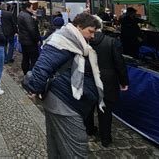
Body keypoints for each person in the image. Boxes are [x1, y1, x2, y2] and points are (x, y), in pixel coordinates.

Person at [22, 13, 104, 158]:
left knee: (56, 143)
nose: (92, 36)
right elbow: (42, 66)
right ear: (79, 27)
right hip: (63, 102)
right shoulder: (62, 40)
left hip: (66, 101)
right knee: (76, 149)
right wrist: (34, 89)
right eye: (90, 31)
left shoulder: (76, 41)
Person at [85, 16, 129, 147]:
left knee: (89, 106)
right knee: (105, 109)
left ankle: (89, 129)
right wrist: (124, 81)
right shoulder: (111, 41)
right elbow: (119, 64)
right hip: (107, 80)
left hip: (89, 78)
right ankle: (106, 138)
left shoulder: (84, 41)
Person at [18, 1, 41, 75]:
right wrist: (37, 40)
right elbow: (32, 30)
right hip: (30, 42)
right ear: (27, 8)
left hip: (23, 40)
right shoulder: (27, 16)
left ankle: (26, 73)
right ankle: (30, 75)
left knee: (25, 58)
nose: (32, 9)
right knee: (34, 59)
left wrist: (34, 19)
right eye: (31, 7)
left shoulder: (21, 14)